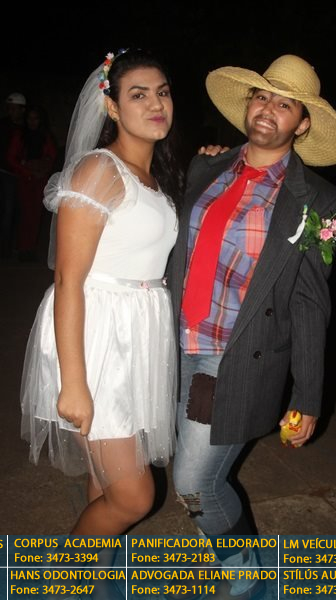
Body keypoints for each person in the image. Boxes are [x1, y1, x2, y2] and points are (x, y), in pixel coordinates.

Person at [169, 54, 336, 599]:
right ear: (248, 105)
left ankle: (242, 567)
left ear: (303, 123)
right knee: (185, 466)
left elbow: (312, 303)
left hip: (232, 356)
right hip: (174, 340)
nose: (268, 109)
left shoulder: (324, 203)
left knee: (194, 483)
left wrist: (309, 397)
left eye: (285, 104)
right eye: (262, 96)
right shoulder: (205, 166)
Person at [20, 48, 184, 537]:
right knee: (134, 496)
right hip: (98, 342)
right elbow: (68, 280)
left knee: (106, 482)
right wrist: (74, 382)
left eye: (162, 92)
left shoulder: (150, 177)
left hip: (136, 337)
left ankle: (92, 573)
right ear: (112, 107)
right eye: (138, 95)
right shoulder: (99, 170)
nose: (155, 104)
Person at [7, 104, 58, 261]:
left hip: (39, 179)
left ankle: (30, 249)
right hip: (24, 179)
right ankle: (22, 248)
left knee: (36, 214)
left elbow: (52, 156)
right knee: (24, 214)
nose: (32, 122)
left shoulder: (45, 136)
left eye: (35, 119)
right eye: (30, 118)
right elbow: (11, 158)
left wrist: (42, 170)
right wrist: (27, 171)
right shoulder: (20, 135)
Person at [0, 92, 26, 257]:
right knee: (7, 210)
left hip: (20, 174)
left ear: (22, 109)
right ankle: (4, 248)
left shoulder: (26, 126)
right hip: (5, 172)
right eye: (9, 108)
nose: (11, 111)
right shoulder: (3, 125)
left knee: (17, 210)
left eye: (15, 108)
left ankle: (12, 245)